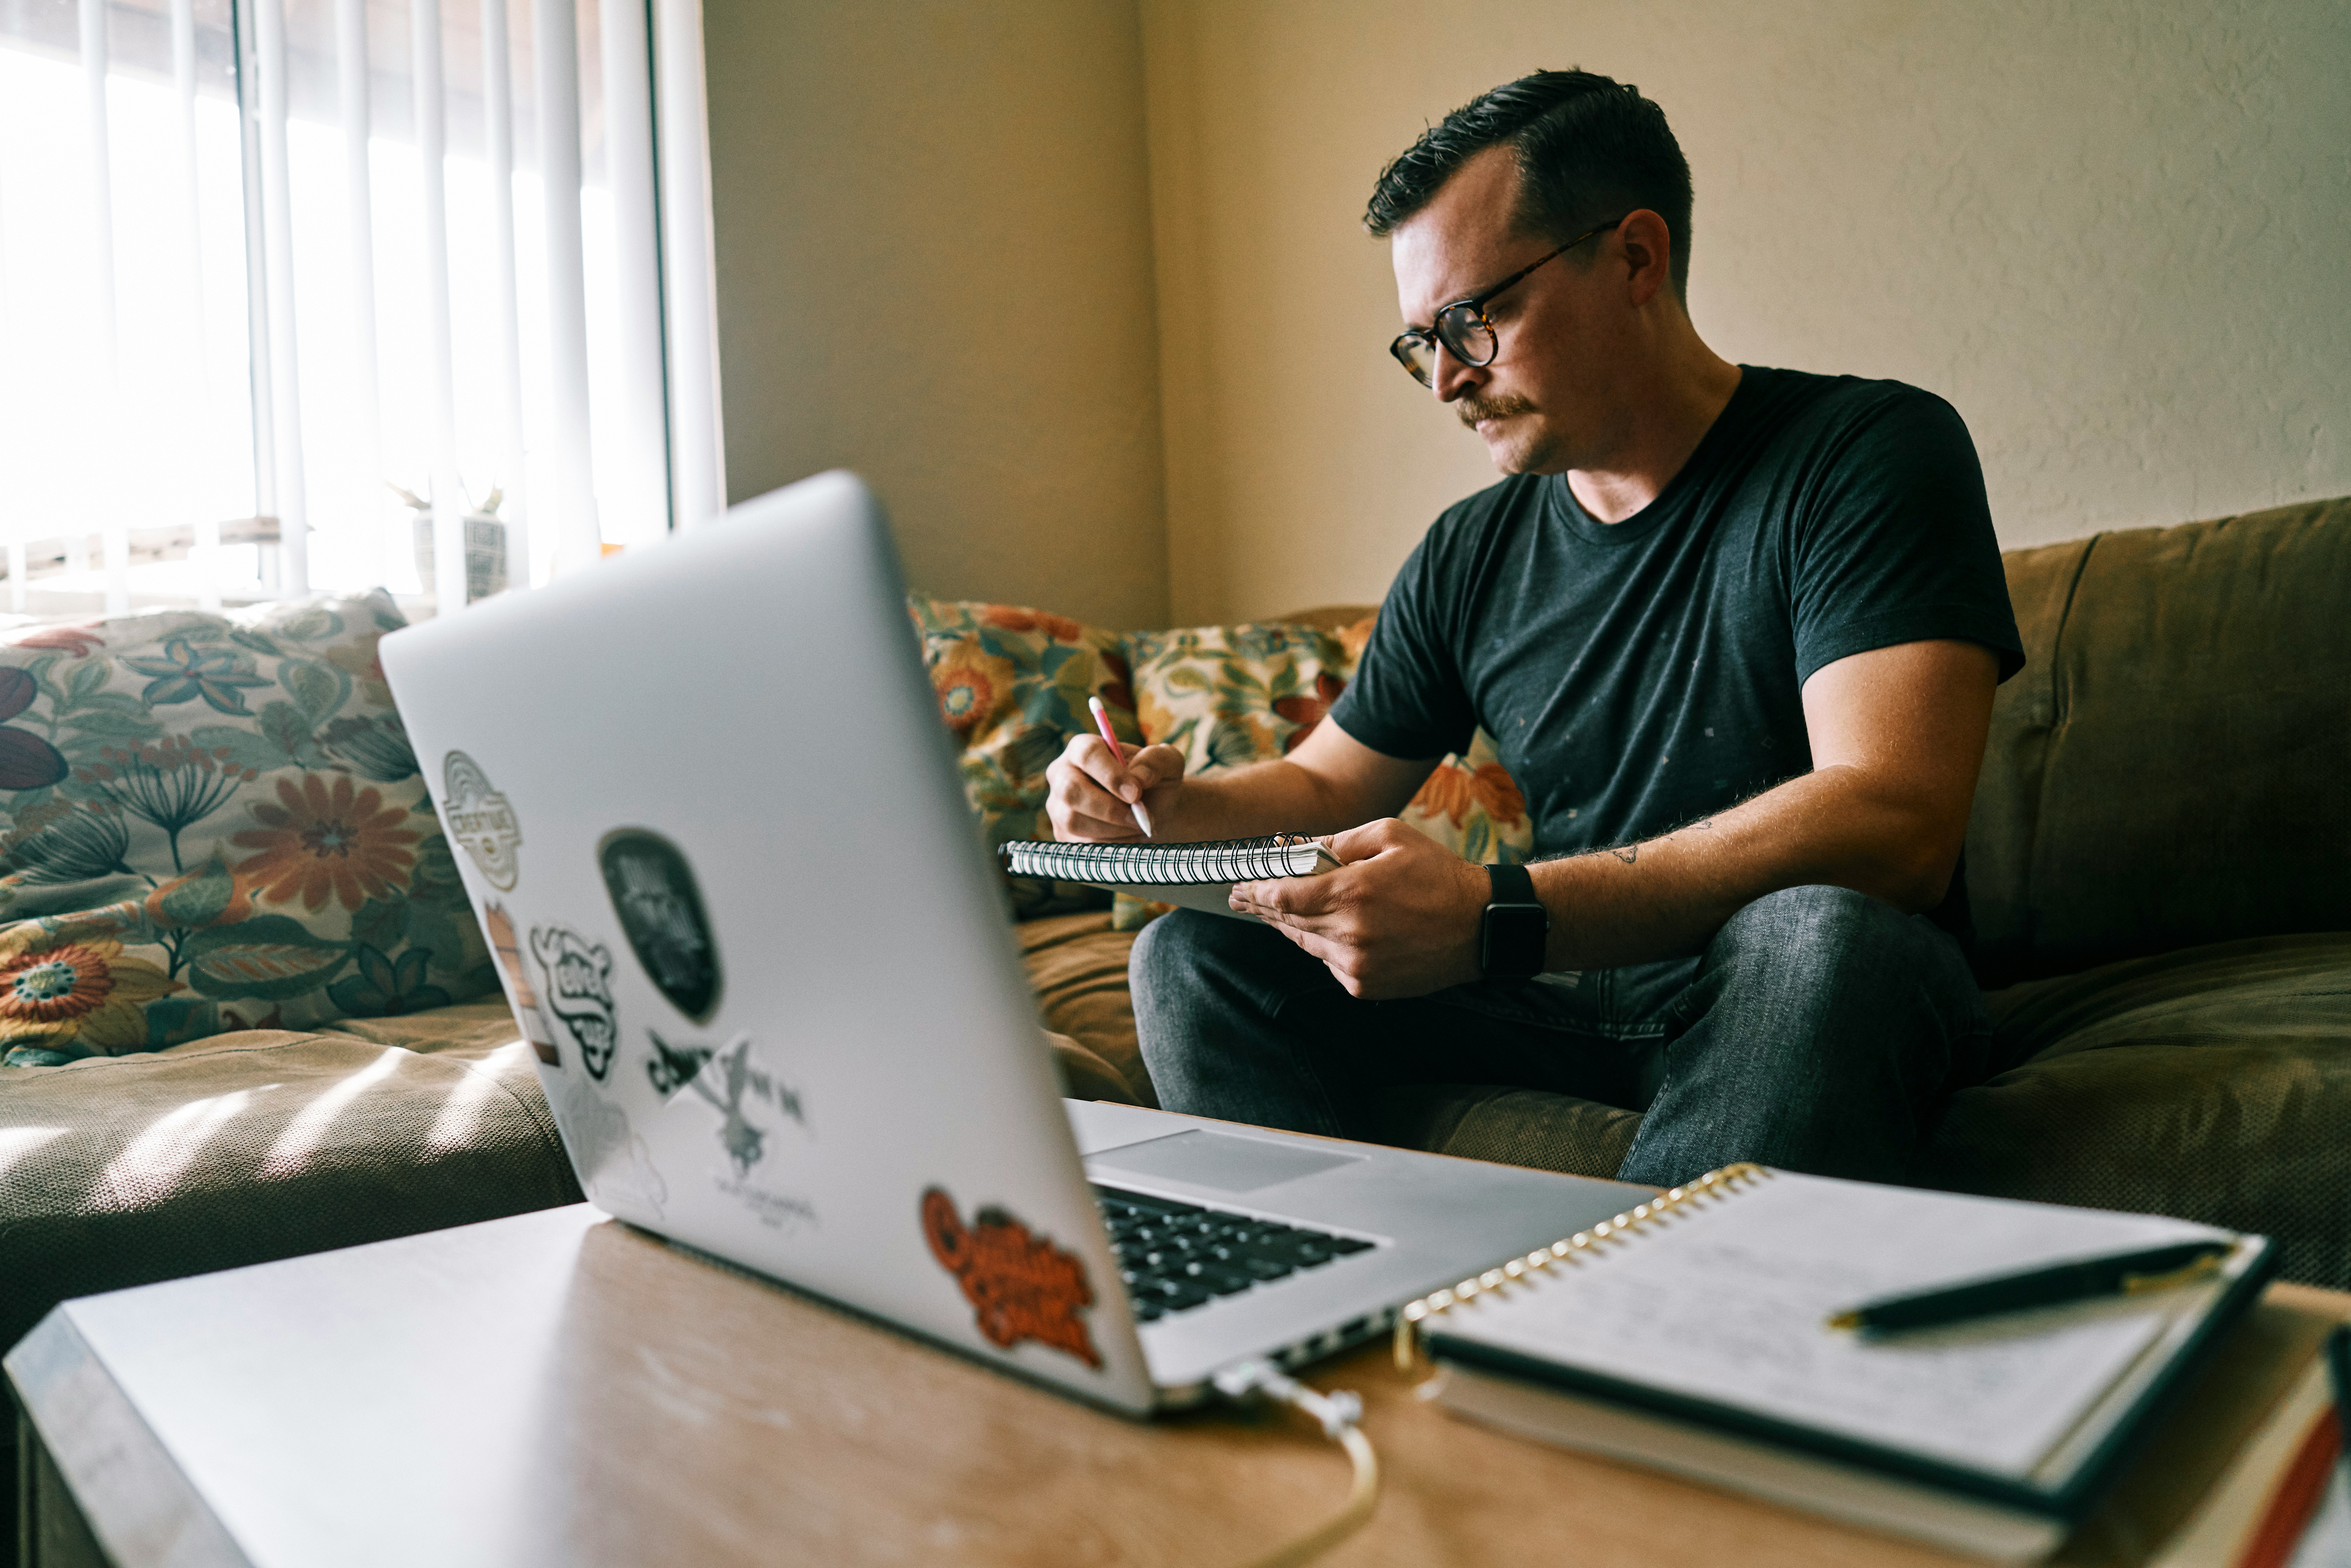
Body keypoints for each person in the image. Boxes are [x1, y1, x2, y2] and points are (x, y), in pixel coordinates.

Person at [1044, 70, 2024, 1188]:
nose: (1447, 382)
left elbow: (1894, 817)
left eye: (1475, 320)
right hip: (1569, 999)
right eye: (1423, 343)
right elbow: (1324, 790)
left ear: (1637, 260)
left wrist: (1495, 914)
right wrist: (1164, 810)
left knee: (1815, 938)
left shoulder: (1866, 452)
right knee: (1196, 955)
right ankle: (1334, 1319)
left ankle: (1642, 1335)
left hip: (1810, 985)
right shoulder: (1471, 552)